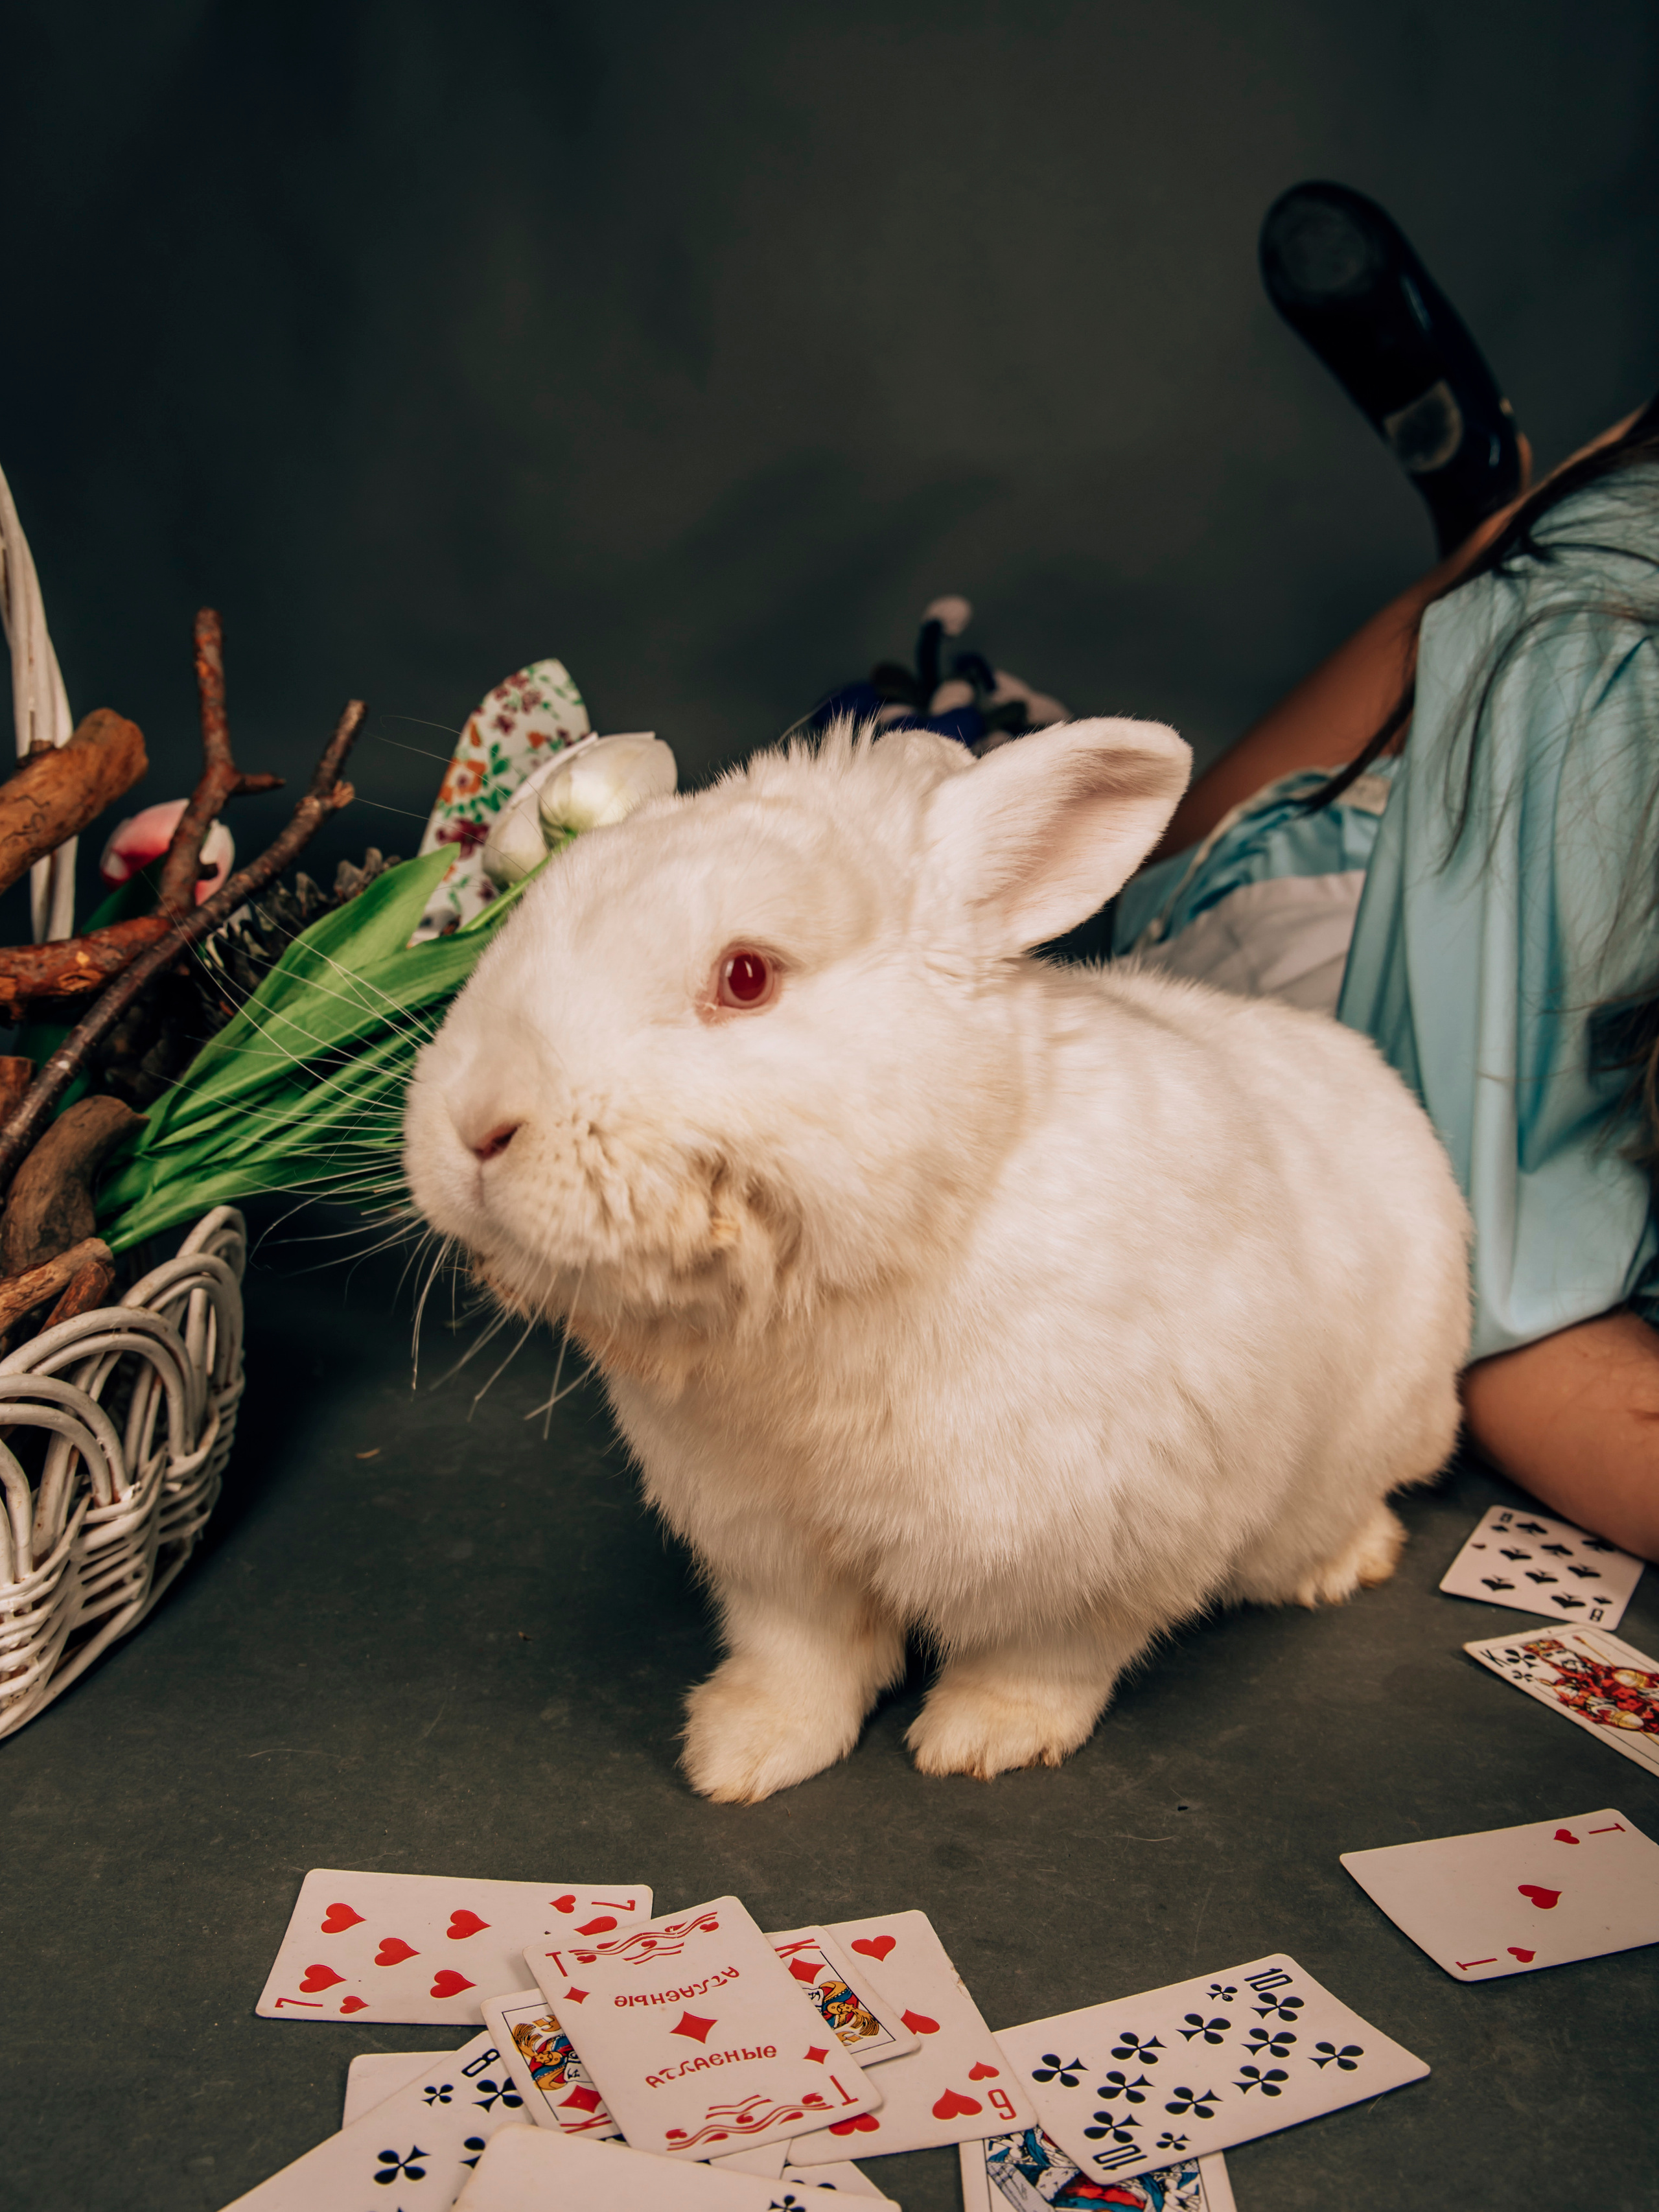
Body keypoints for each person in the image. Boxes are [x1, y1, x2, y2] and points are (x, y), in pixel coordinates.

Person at [1115, 184, 1659, 1563]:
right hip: (1359, 937)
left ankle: (1488, 521)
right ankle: (1493, 533)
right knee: (1204, 860)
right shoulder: (1599, 669)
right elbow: (1515, 1324)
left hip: (1557, 840)